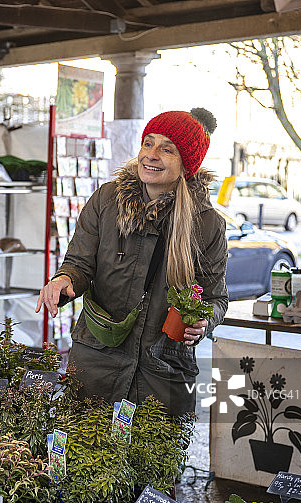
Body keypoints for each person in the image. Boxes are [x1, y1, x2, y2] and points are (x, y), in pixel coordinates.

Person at [36, 108, 228, 417]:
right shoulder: (106, 201)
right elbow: (79, 263)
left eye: (167, 149)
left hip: (162, 372)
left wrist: (204, 321)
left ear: (187, 164)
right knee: (85, 458)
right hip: (97, 364)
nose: (152, 155)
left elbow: (215, 297)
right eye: (148, 143)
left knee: (154, 463)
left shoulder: (206, 223)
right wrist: (64, 279)